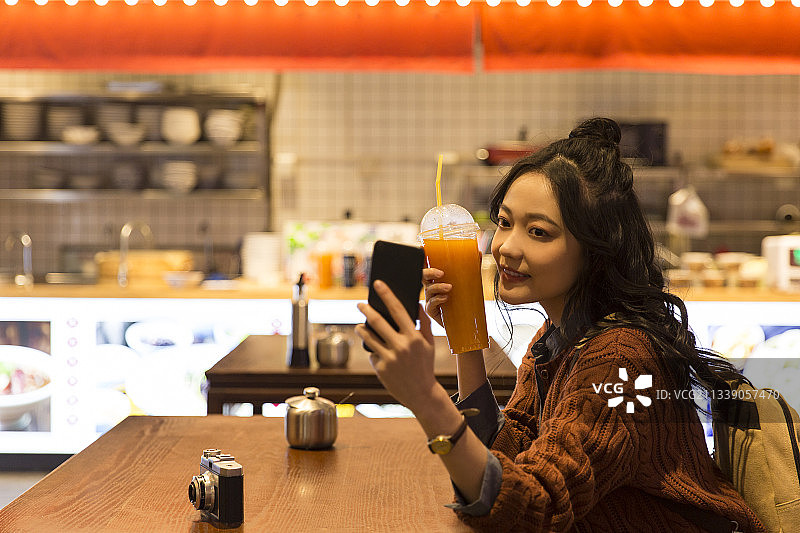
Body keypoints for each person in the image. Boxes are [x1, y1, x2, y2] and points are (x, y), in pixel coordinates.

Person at [355, 117, 765, 532]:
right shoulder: (556, 338)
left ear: (594, 250)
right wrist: (466, 339)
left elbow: (531, 509)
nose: (506, 248)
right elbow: (511, 454)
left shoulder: (622, 358)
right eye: (504, 222)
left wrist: (426, 398)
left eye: (538, 231)